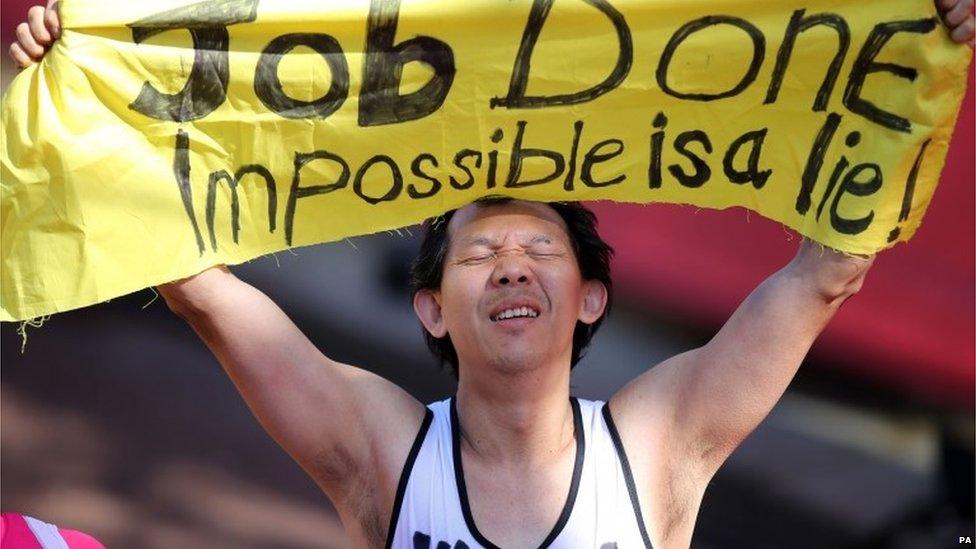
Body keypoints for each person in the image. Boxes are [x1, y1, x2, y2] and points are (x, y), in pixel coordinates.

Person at [8, 3, 974, 548]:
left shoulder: (656, 440)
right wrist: (76, 91)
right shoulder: (381, 450)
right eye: (477, 251)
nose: (510, 263)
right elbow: (197, 281)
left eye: (539, 248)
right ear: (430, 305)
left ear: (590, 296)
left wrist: (929, 54)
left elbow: (826, 274)